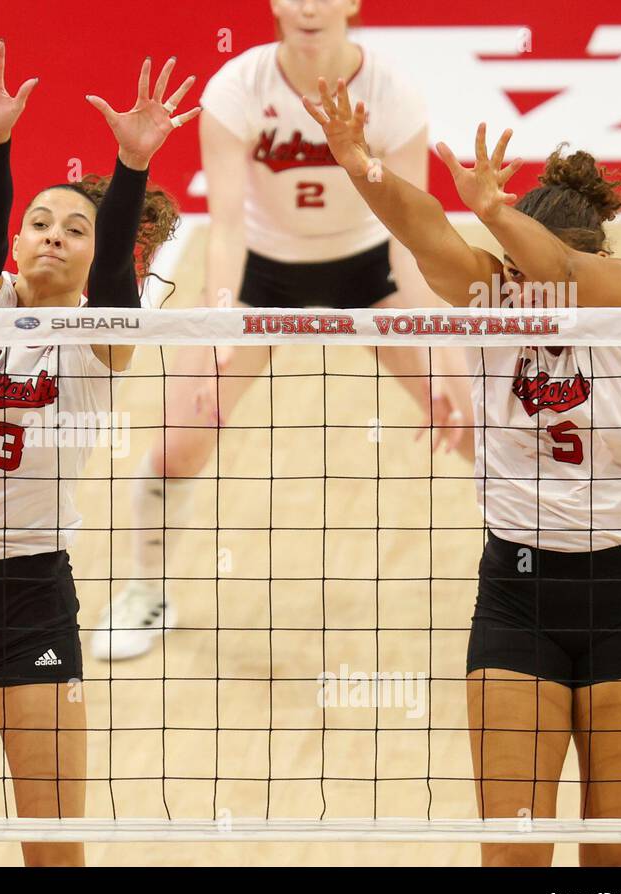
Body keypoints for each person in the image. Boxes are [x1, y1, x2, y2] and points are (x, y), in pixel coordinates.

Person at [305, 76, 621, 866]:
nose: (517, 280)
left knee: (617, 866)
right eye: (507, 265)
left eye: (523, 261)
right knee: (511, 856)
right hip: (518, 594)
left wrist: (497, 212)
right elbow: (425, 227)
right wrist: (359, 162)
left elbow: (569, 279)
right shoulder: (490, 291)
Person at [0, 33, 195, 866]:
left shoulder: (101, 339)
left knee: (53, 852)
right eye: (40, 223)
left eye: (77, 229)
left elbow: (121, 285)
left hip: (30, 599)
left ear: (102, 254)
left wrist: (132, 166)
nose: (51, 236)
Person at [92, 0, 472, 662]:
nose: (308, 7)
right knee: (181, 439)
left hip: (372, 272)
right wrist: (219, 322)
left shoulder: (395, 95)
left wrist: (437, 349)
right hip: (262, 276)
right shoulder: (237, 90)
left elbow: (414, 236)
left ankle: (588, 568)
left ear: (352, 4)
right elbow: (230, 227)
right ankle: (145, 591)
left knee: (478, 423)